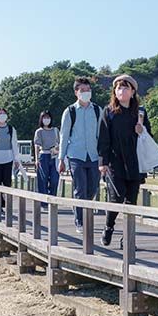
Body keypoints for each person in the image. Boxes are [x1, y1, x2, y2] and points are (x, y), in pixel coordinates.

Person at [98, 74, 151, 247]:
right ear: (115, 91)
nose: (122, 90)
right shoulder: (109, 111)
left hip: (135, 163)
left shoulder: (140, 113)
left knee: (131, 202)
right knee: (116, 197)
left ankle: (128, 238)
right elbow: (103, 138)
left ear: (133, 91)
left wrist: (141, 130)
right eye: (119, 87)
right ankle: (109, 227)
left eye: (126, 87)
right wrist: (102, 162)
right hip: (115, 162)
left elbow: (149, 138)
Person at [59, 77, 102, 233]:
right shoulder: (70, 111)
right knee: (80, 188)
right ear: (76, 92)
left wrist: (103, 157)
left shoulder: (97, 110)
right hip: (75, 155)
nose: (86, 93)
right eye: (82, 90)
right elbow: (64, 136)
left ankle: (83, 211)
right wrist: (61, 159)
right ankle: (80, 221)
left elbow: (101, 135)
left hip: (94, 155)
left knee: (92, 189)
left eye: (88, 90)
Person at [34, 111, 60, 203]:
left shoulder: (55, 130)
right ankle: (43, 201)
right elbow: (37, 145)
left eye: (48, 117)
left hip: (54, 156)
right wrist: (36, 159)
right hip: (43, 155)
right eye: (44, 117)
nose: (46, 119)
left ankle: (52, 199)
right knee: (42, 179)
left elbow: (60, 142)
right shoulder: (39, 131)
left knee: (54, 179)